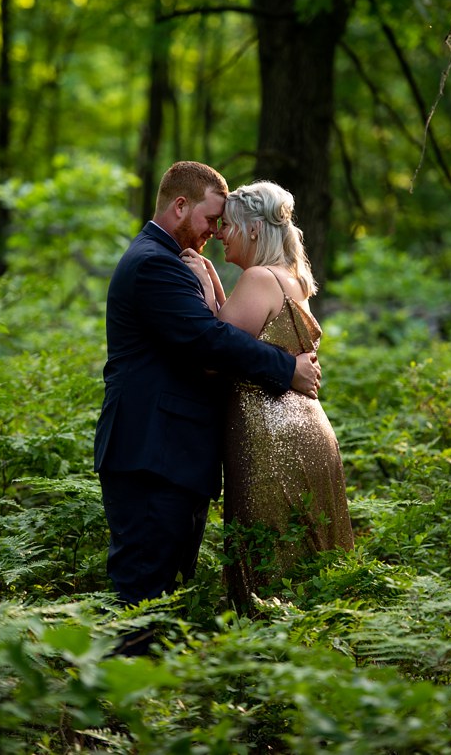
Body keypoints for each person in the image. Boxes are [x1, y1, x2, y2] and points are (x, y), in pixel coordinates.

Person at [93, 161, 321, 651]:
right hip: (151, 455)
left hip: (174, 458)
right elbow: (206, 341)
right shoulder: (154, 263)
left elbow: (213, 334)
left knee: (167, 598)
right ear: (180, 206)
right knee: (141, 599)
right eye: (211, 219)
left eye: (224, 223)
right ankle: (117, 708)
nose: (216, 232)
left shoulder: (169, 261)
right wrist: (288, 369)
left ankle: (150, 706)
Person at [180, 180, 354, 611]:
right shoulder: (288, 277)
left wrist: (201, 286)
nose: (220, 234)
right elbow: (243, 332)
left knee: (271, 561)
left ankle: (270, 659)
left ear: (254, 230)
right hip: (307, 429)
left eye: (229, 226)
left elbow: (215, 354)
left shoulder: (259, 278)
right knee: (308, 558)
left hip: (272, 437)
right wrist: (216, 280)